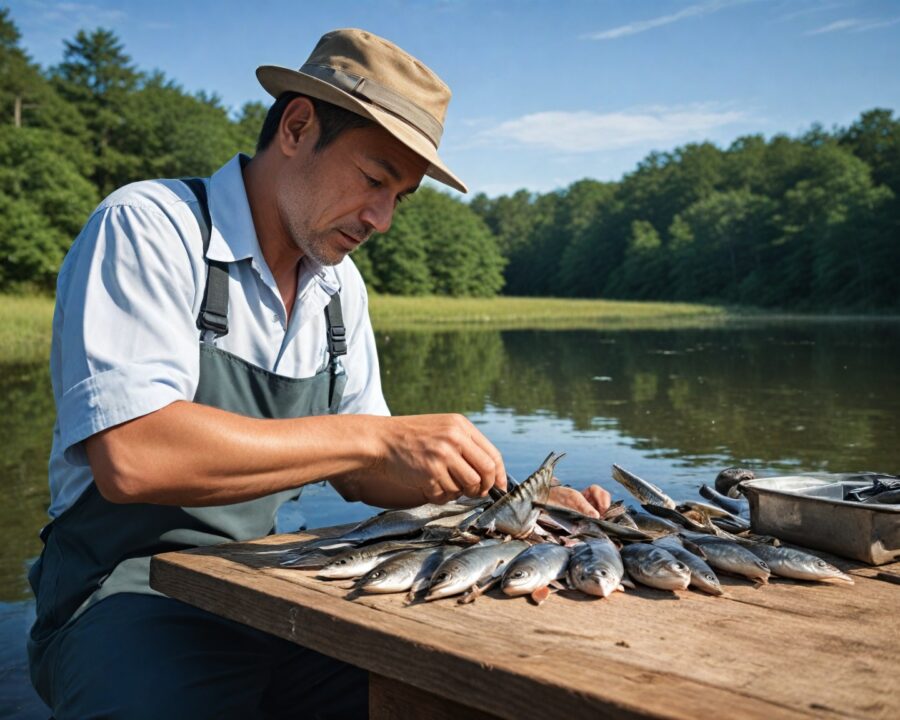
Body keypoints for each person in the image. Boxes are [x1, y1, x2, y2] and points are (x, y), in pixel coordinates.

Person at [28, 28, 611, 719]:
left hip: (279, 585)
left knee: (468, 691)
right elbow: (134, 455)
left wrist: (513, 503)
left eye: (401, 197)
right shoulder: (150, 227)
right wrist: (374, 439)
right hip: (128, 596)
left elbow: (364, 478)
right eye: (373, 180)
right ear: (299, 127)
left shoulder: (339, 288)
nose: (382, 219)